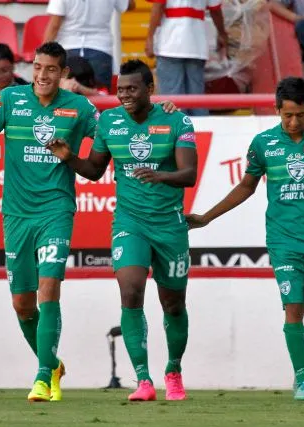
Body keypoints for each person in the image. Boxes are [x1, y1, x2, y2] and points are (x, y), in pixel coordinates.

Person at [0, 42, 177, 402]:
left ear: (63, 74)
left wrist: (161, 111)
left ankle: (44, 377)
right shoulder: (10, 100)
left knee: (48, 288)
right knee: (21, 304)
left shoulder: (79, 108)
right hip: (16, 213)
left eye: (50, 69)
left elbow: (117, 123)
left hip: (56, 210)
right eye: (37, 67)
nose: (42, 75)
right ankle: (52, 363)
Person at [187, 77, 304, 401]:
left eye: (299, 115)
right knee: (293, 307)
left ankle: (301, 361)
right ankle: (303, 379)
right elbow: (246, 187)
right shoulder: (263, 144)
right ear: (277, 111)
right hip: (283, 242)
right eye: (287, 115)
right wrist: (207, 217)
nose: (293, 122)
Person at [46, 59, 197, 402]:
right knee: (130, 292)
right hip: (129, 223)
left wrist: (160, 175)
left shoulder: (177, 120)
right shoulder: (110, 122)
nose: (125, 95)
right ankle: (143, 380)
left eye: (132, 89)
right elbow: (96, 170)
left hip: (170, 226)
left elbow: (188, 174)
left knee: (173, 304)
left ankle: (173, 370)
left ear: (150, 90)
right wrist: (69, 156)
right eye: (120, 89)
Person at [146, 0, 229, 116]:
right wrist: (222, 33)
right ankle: (199, 131)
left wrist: (150, 37)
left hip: (170, 45)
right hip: (196, 45)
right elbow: (215, 10)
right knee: (196, 100)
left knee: (171, 102)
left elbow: (158, 5)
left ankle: (177, 133)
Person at [44, 0, 134, 88]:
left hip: (68, 49)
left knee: (64, 98)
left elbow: (54, 26)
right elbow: (130, 5)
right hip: (101, 49)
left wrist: (43, 54)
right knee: (100, 97)